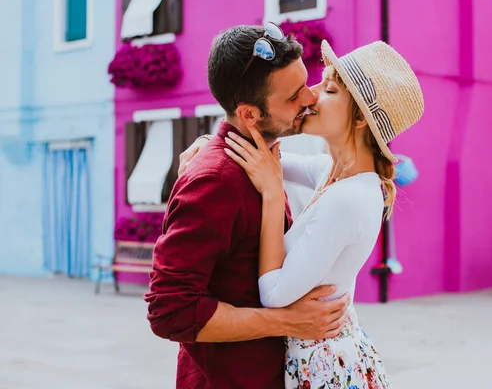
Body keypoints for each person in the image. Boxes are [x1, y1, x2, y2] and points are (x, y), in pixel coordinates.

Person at [184, 40, 424, 388]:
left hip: (325, 367)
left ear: (359, 119)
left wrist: (271, 194)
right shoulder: (336, 170)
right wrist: (211, 143)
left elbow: (274, 294)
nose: (310, 95)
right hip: (325, 354)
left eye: (328, 89)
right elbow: (264, 158)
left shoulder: (347, 198)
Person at [144, 24, 351, 389]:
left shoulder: (264, 157)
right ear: (250, 115)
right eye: (292, 96)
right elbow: (170, 311)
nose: (310, 98)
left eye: (306, 82)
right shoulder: (215, 181)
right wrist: (287, 321)